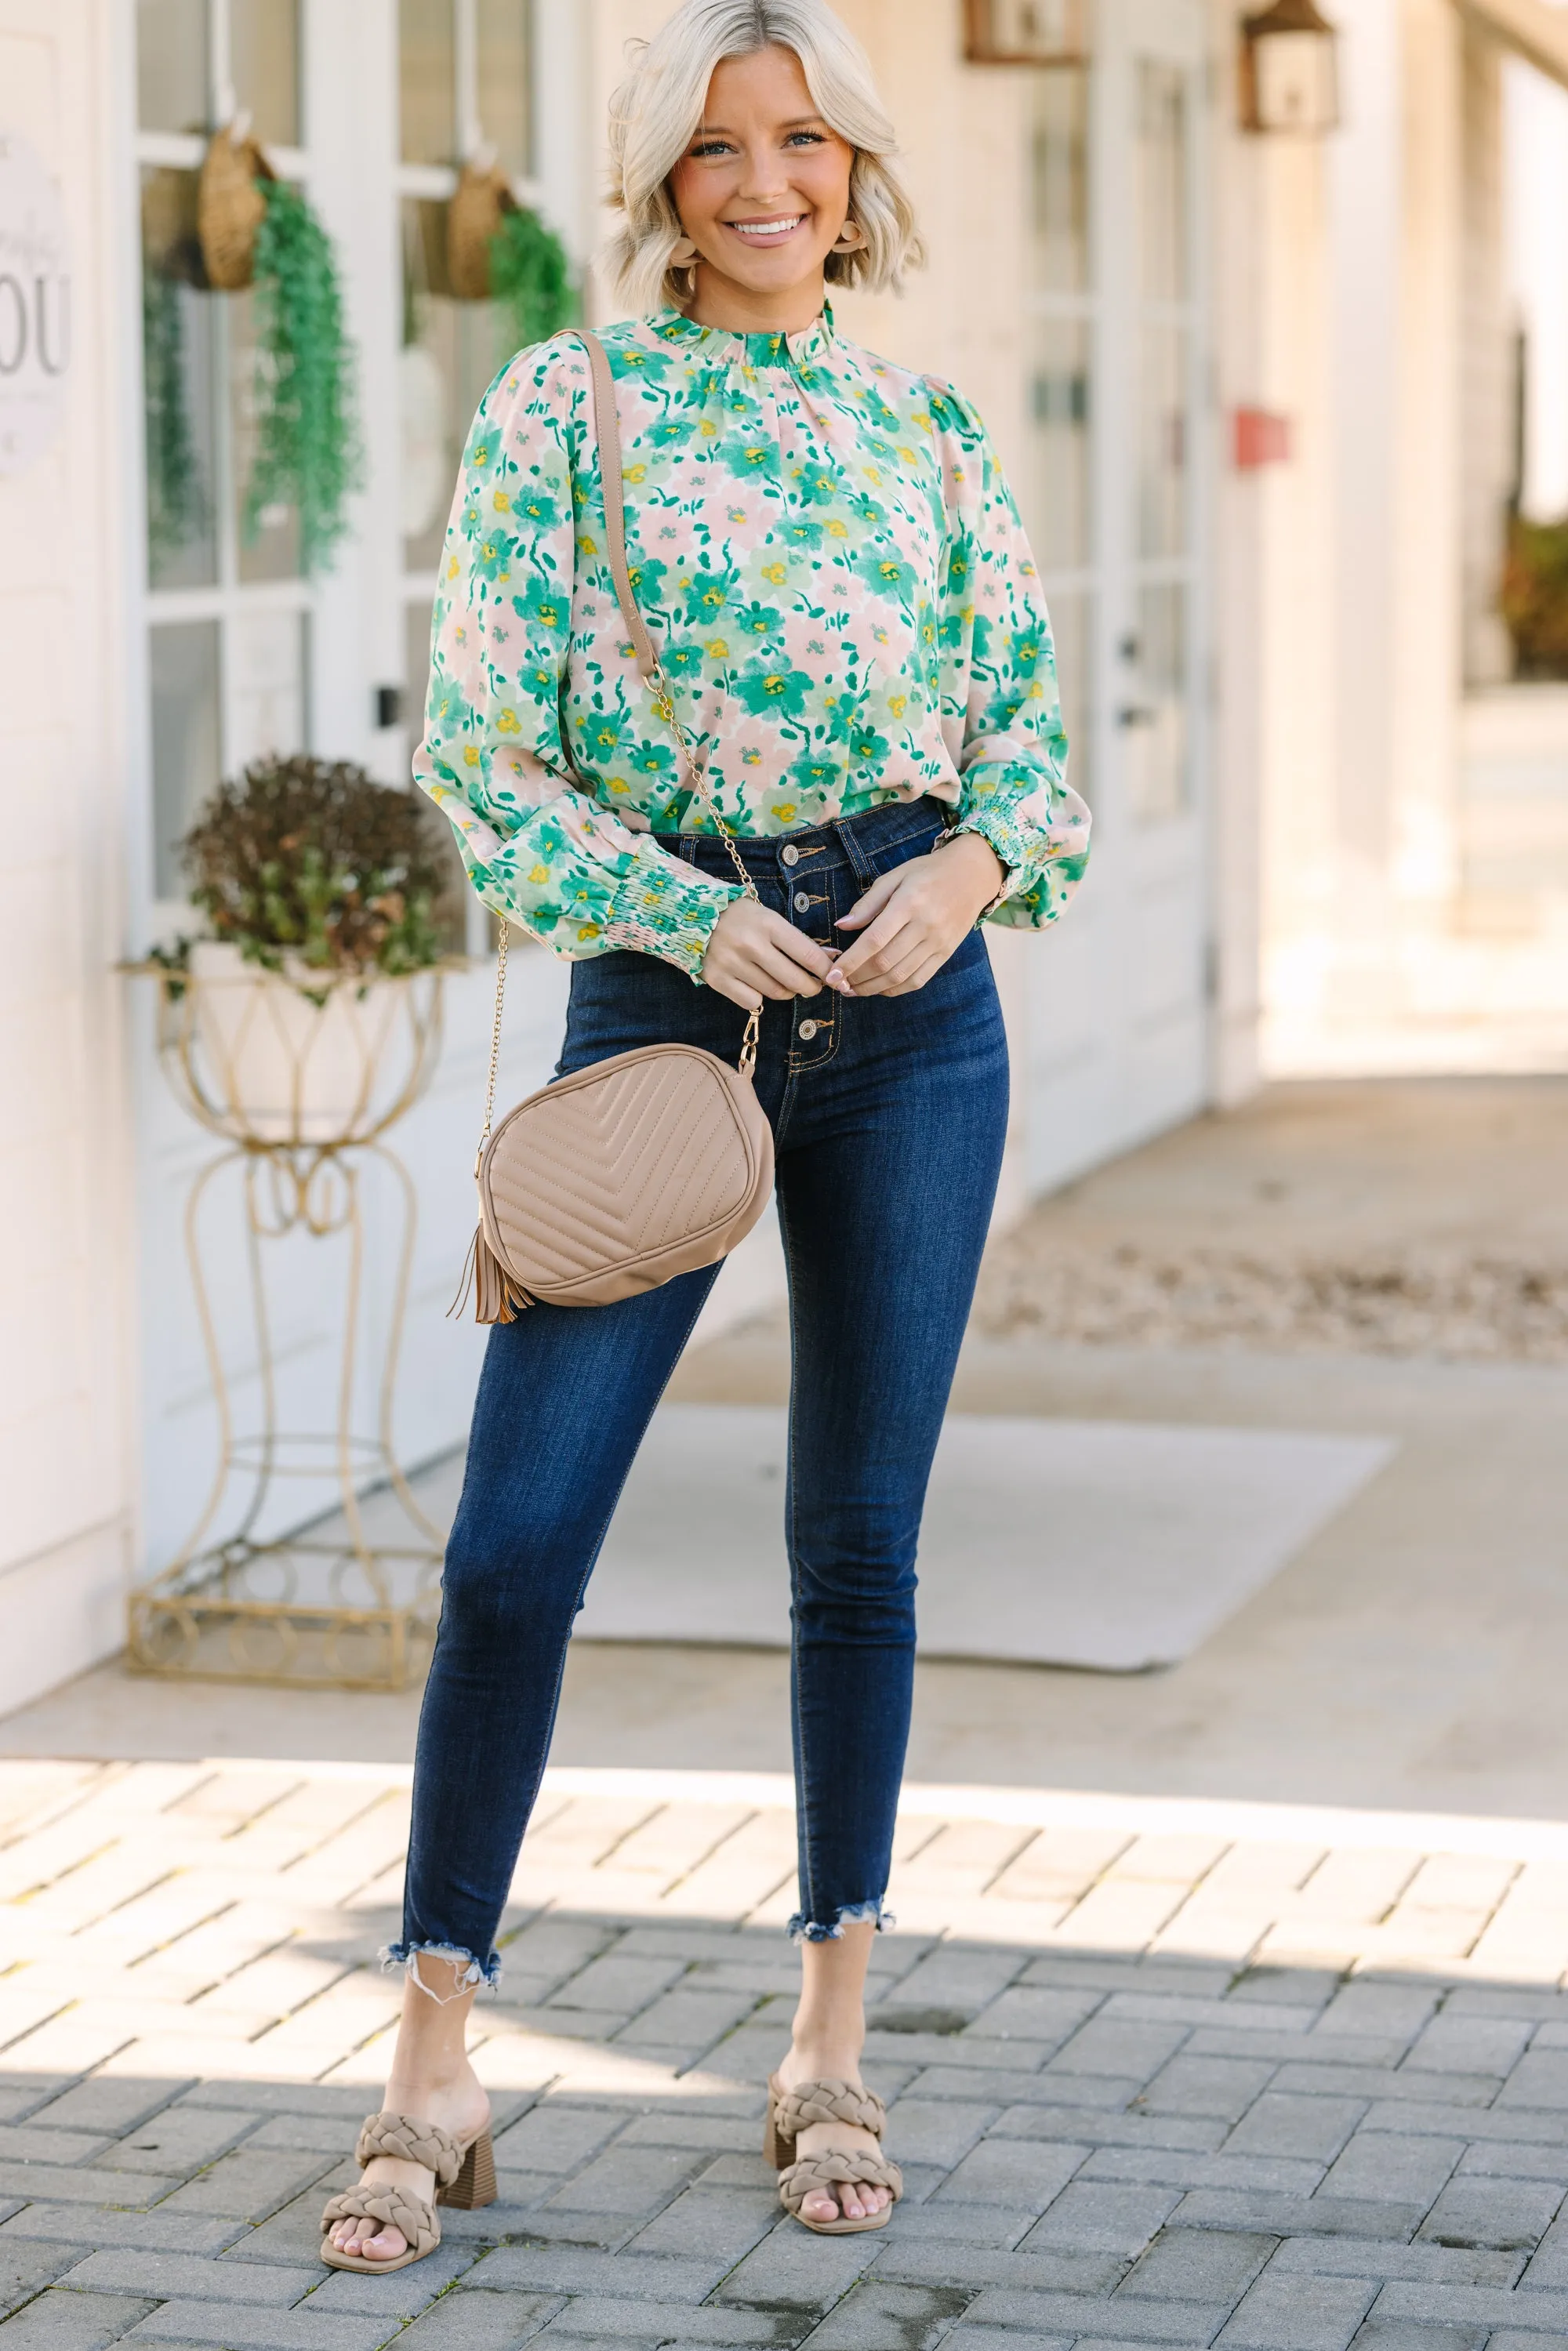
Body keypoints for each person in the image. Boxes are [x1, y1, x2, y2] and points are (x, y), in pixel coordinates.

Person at [321, 0, 1088, 2272]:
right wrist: (686, 913)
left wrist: (965, 872)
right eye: (721, 150)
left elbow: (1031, 738)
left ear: (854, 165)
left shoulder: (931, 428)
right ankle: (431, 2051)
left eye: (808, 141)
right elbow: (486, 742)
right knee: (513, 1539)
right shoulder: (571, 406)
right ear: (663, 181)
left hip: (917, 1008)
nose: (769, 185)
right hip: (673, 988)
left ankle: (829, 2031)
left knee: (856, 1540)